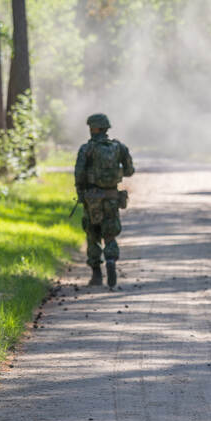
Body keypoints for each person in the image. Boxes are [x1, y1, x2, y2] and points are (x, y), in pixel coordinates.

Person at [74, 113, 135, 289]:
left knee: (92, 234)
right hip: (111, 196)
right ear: (106, 128)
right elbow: (130, 171)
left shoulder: (86, 149)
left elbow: (79, 173)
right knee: (110, 232)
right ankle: (110, 260)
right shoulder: (119, 147)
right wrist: (114, 173)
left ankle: (96, 275)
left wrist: (81, 191)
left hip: (92, 198)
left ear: (93, 129)